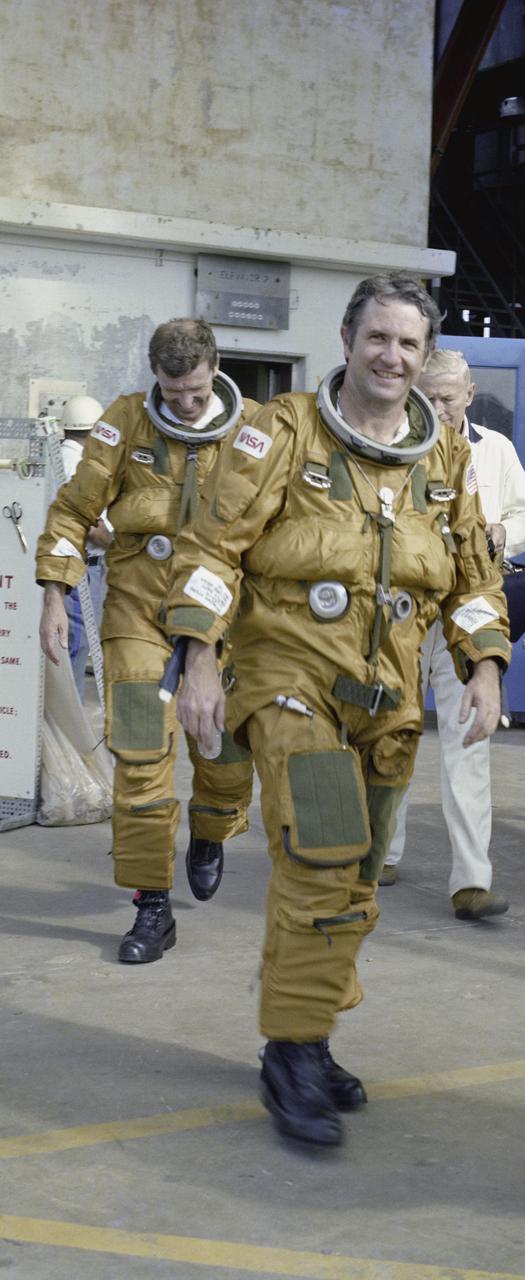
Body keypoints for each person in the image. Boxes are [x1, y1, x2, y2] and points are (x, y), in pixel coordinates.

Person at [163, 273, 511, 1148]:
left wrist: (487, 666)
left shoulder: (448, 458)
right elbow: (213, 550)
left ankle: (307, 1033)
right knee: (321, 854)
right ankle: (295, 1049)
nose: (392, 357)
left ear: (424, 357)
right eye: (378, 339)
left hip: (387, 699)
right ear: (348, 340)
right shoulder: (276, 433)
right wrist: (200, 660)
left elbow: (474, 578)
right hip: (289, 676)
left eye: (409, 344)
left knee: (352, 880)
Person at [36, 320, 259, 962]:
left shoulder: (257, 431)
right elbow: (74, 510)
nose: (185, 403)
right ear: (154, 375)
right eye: (172, 389)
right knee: (139, 752)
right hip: (138, 607)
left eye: (195, 390)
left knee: (223, 751)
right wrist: (55, 590)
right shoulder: (125, 422)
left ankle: (211, 832)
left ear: (215, 366)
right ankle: (152, 903)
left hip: (226, 619)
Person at [380, 348, 525, 919]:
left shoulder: (495, 450)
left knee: (469, 740)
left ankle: (472, 880)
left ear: (469, 395)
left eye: (449, 397)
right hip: (404, 613)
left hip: (468, 614)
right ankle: (383, 852)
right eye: (430, 397)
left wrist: (502, 532)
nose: (440, 407)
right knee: (388, 732)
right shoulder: (397, 445)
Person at [56, 395, 112, 697]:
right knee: (74, 647)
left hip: (68, 570)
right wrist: (122, 547)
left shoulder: (59, 459)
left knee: (68, 646)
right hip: (79, 571)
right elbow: (90, 527)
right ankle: (69, 731)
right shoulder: (78, 464)